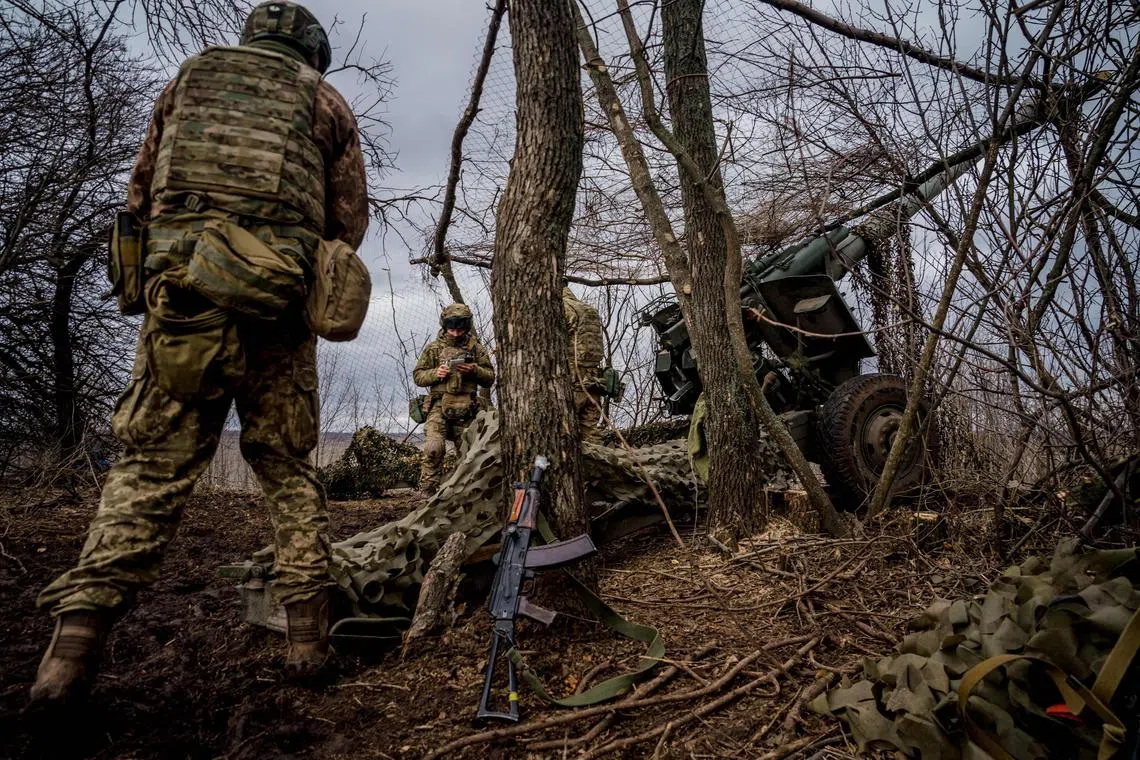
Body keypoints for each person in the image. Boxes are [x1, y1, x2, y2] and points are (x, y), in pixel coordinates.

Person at [30, 1, 369, 704]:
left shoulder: (190, 77)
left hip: (182, 301)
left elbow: (142, 191)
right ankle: (307, 639)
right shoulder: (326, 101)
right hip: (275, 305)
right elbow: (347, 221)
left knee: (149, 467)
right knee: (286, 465)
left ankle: (70, 650)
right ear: (311, 49)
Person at [412, 304, 496, 494]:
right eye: (452, 328)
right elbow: (418, 376)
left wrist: (474, 370)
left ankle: (465, 493)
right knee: (433, 448)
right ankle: (427, 491)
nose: (456, 333)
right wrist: (436, 373)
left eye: (460, 329)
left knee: (469, 454)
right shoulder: (433, 349)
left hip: (468, 407)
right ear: (444, 325)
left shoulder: (476, 349)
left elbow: (490, 378)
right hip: (438, 405)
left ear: (467, 326)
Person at [563, 286, 607, 444]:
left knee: (564, 432)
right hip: (594, 379)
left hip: (572, 378)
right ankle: (600, 466)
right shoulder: (590, 310)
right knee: (591, 433)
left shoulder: (562, 307)